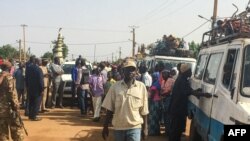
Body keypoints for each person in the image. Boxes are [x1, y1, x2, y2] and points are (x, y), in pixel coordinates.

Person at [102, 59, 149, 141]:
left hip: (135, 127)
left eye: (132, 69)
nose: (130, 71)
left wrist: (145, 128)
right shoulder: (115, 87)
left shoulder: (141, 87)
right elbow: (109, 108)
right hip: (119, 128)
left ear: (136, 71)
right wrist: (105, 126)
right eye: (128, 69)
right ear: (123, 71)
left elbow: (144, 110)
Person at [168, 64, 204, 141]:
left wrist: (197, 91)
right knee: (176, 130)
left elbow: (188, 90)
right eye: (190, 71)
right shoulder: (182, 80)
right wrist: (203, 94)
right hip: (177, 109)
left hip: (178, 109)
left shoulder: (182, 79)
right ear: (186, 72)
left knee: (178, 129)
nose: (191, 72)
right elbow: (188, 91)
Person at [0, 61, 24, 141]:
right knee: (16, 129)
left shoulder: (1, 77)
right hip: (9, 109)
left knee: (2, 132)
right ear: (10, 69)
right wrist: (16, 107)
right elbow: (12, 94)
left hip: (1, 110)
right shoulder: (9, 78)